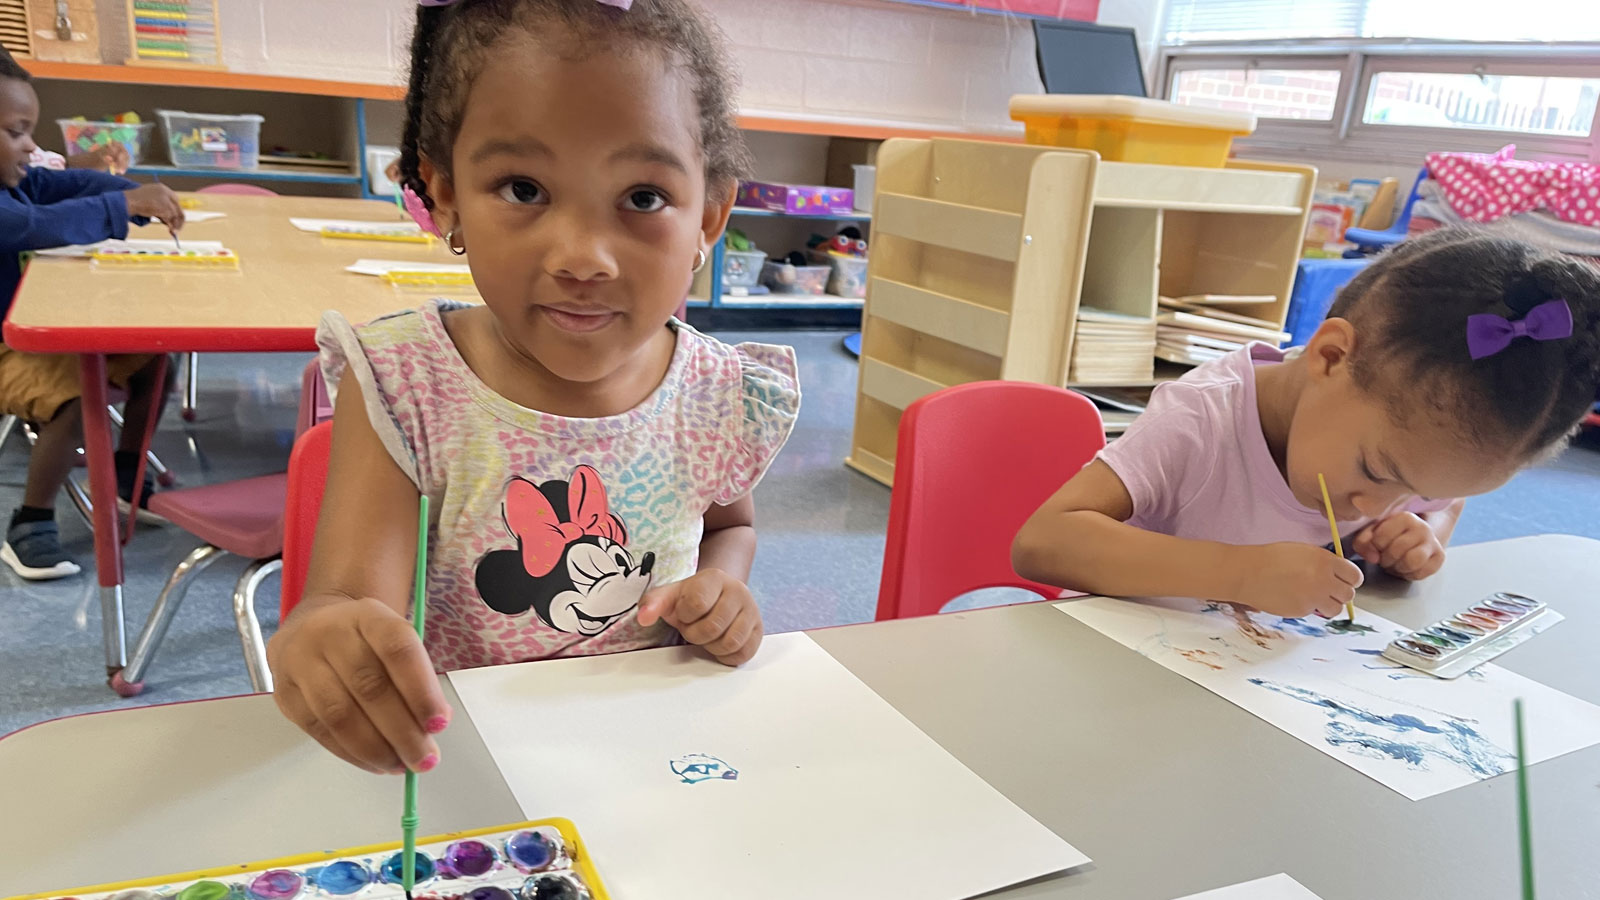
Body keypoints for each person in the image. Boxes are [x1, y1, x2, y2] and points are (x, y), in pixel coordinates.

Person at [267, 0, 801, 776]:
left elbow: (731, 527)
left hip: (655, 753)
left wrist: (721, 588)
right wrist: (325, 636)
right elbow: (351, 601)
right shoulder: (407, 384)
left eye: (643, 198)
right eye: (523, 188)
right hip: (473, 764)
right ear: (445, 196)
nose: (583, 257)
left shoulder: (718, 391)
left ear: (709, 218)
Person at [1014, 228, 1600, 618]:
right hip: (1108, 674)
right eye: (1376, 470)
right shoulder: (1202, 420)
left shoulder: (1403, 449)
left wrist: (1425, 534)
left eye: (1413, 489)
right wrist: (1237, 573)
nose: (1376, 507)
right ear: (1330, 358)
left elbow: (1444, 501)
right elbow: (1043, 542)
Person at [0, 47, 184, 580]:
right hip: (7, 345)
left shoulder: (16, 180)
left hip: (29, 331)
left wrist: (135, 194)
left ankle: (127, 478)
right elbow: (33, 227)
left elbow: (66, 185)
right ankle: (29, 523)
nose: (32, 146)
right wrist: (124, 207)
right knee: (78, 391)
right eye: (17, 131)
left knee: (155, 359)